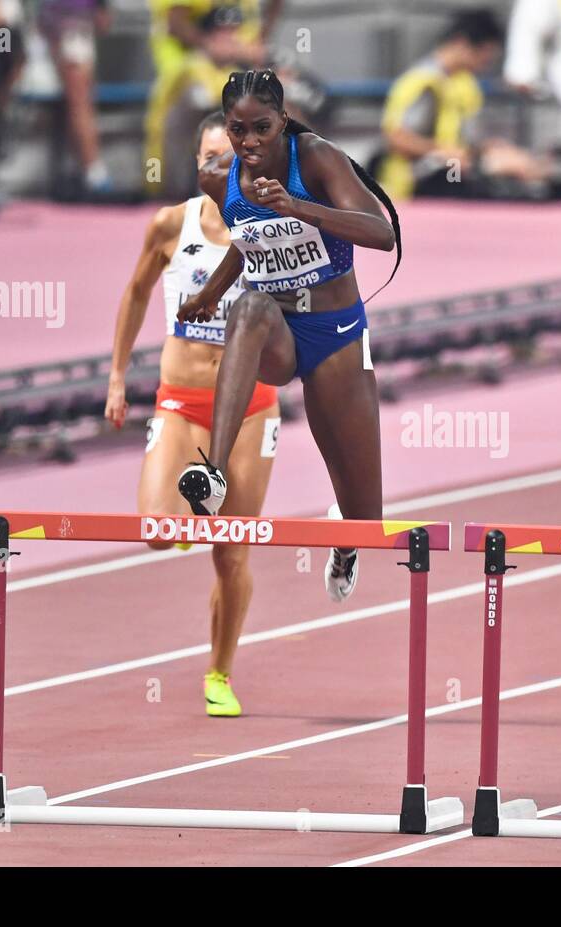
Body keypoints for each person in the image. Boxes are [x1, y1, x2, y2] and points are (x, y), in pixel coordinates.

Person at [174, 69, 400, 605]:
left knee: (367, 519)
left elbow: (381, 233)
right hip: (276, 328)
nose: (249, 142)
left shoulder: (315, 158)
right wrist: (212, 293)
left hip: (335, 330)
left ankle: (344, 537)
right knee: (248, 307)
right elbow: (247, 241)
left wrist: (298, 206)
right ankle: (216, 472)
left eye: (261, 128)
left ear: (282, 120)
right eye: (237, 129)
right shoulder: (218, 178)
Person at [105, 112, 281, 717]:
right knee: (158, 531)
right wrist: (117, 376)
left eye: (228, 160)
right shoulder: (170, 224)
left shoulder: (271, 227)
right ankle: (189, 506)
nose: (217, 168)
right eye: (208, 159)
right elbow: (134, 293)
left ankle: (220, 673)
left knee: (231, 553)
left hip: (251, 408)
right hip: (181, 400)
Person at [377, 9, 556, 201]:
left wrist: (484, 149)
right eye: (484, 58)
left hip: (450, 170)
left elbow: (459, 141)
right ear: (462, 44)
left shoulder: (461, 83)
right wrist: (448, 152)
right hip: (416, 183)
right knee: (492, 171)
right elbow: (397, 137)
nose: (485, 66)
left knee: (508, 167)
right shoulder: (424, 82)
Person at [144, 1, 284, 196]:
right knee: (208, 107)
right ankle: (200, 188)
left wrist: (255, 51)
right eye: (223, 32)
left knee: (283, 100)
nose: (229, 35)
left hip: (237, 68)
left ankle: (292, 182)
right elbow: (176, 24)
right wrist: (223, 49)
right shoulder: (192, 68)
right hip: (190, 76)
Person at [38, 0, 114, 195]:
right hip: (61, 24)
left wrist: (102, 8)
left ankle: (86, 170)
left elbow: (103, 21)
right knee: (79, 100)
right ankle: (93, 171)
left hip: (78, 25)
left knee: (81, 100)